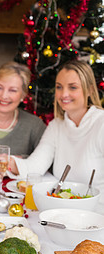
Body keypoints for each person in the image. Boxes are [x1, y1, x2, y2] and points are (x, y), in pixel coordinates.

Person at [8, 60, 104, 201]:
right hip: (62, 208)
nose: (64, 94)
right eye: (59, 87)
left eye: (72, 87)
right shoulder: (56, 126)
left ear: (89, 89)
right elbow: (36, 166)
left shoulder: (101, 123)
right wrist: (10, 163)